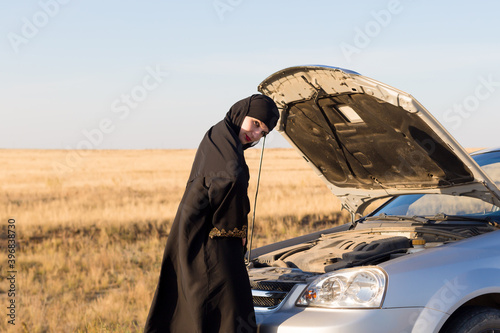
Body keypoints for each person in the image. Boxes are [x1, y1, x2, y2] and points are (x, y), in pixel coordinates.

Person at [144, 94, 279, 333]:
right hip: (211, 241)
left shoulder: (219, 136)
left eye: (263, 132)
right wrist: (237, 230)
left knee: (202, 305)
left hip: (198, 235)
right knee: (224, 305)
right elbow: (230, 179)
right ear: (241, 113)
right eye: (255, 123)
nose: (256, 134)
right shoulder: (224, 143)